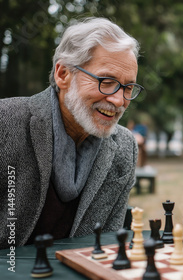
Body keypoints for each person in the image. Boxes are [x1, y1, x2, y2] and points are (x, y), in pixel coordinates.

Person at [0, 17, 144, 249]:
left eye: (128, 88)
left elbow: (107, 246)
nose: (119, 100)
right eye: (106, 81)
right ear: (63, 74)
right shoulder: (4, 123)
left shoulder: (125, 147)